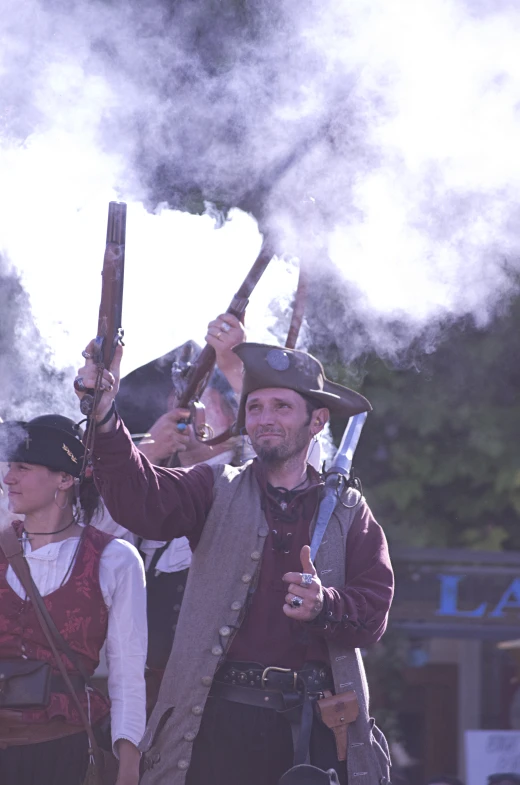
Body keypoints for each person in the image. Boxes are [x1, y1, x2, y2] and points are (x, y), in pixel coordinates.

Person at [74, 338, 394, 785]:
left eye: (282, 407)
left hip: (313, 730)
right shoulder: (212, 485)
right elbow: (140, 499)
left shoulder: (348, 510)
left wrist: (326, 604)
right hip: (217, 725)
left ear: (317, 420)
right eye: (256, 407)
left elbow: (374, 610)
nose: (264, 418)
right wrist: (106, 416)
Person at [95, 314, 248, 709]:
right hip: (146, 694)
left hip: (227, 697)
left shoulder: (252, 478)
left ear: (232, 413)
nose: (185, 410)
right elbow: (93, 535)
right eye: (177, 400)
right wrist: (146, 453)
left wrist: (232, 364)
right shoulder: (151, 487)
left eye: (201, 399)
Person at [0, 414, 147, 785]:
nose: (8, 478)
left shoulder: (115, 559)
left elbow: (127, 671)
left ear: (65, 479)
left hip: (60, 749)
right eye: (8, 466)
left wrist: (128, 764)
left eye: (23, 467)